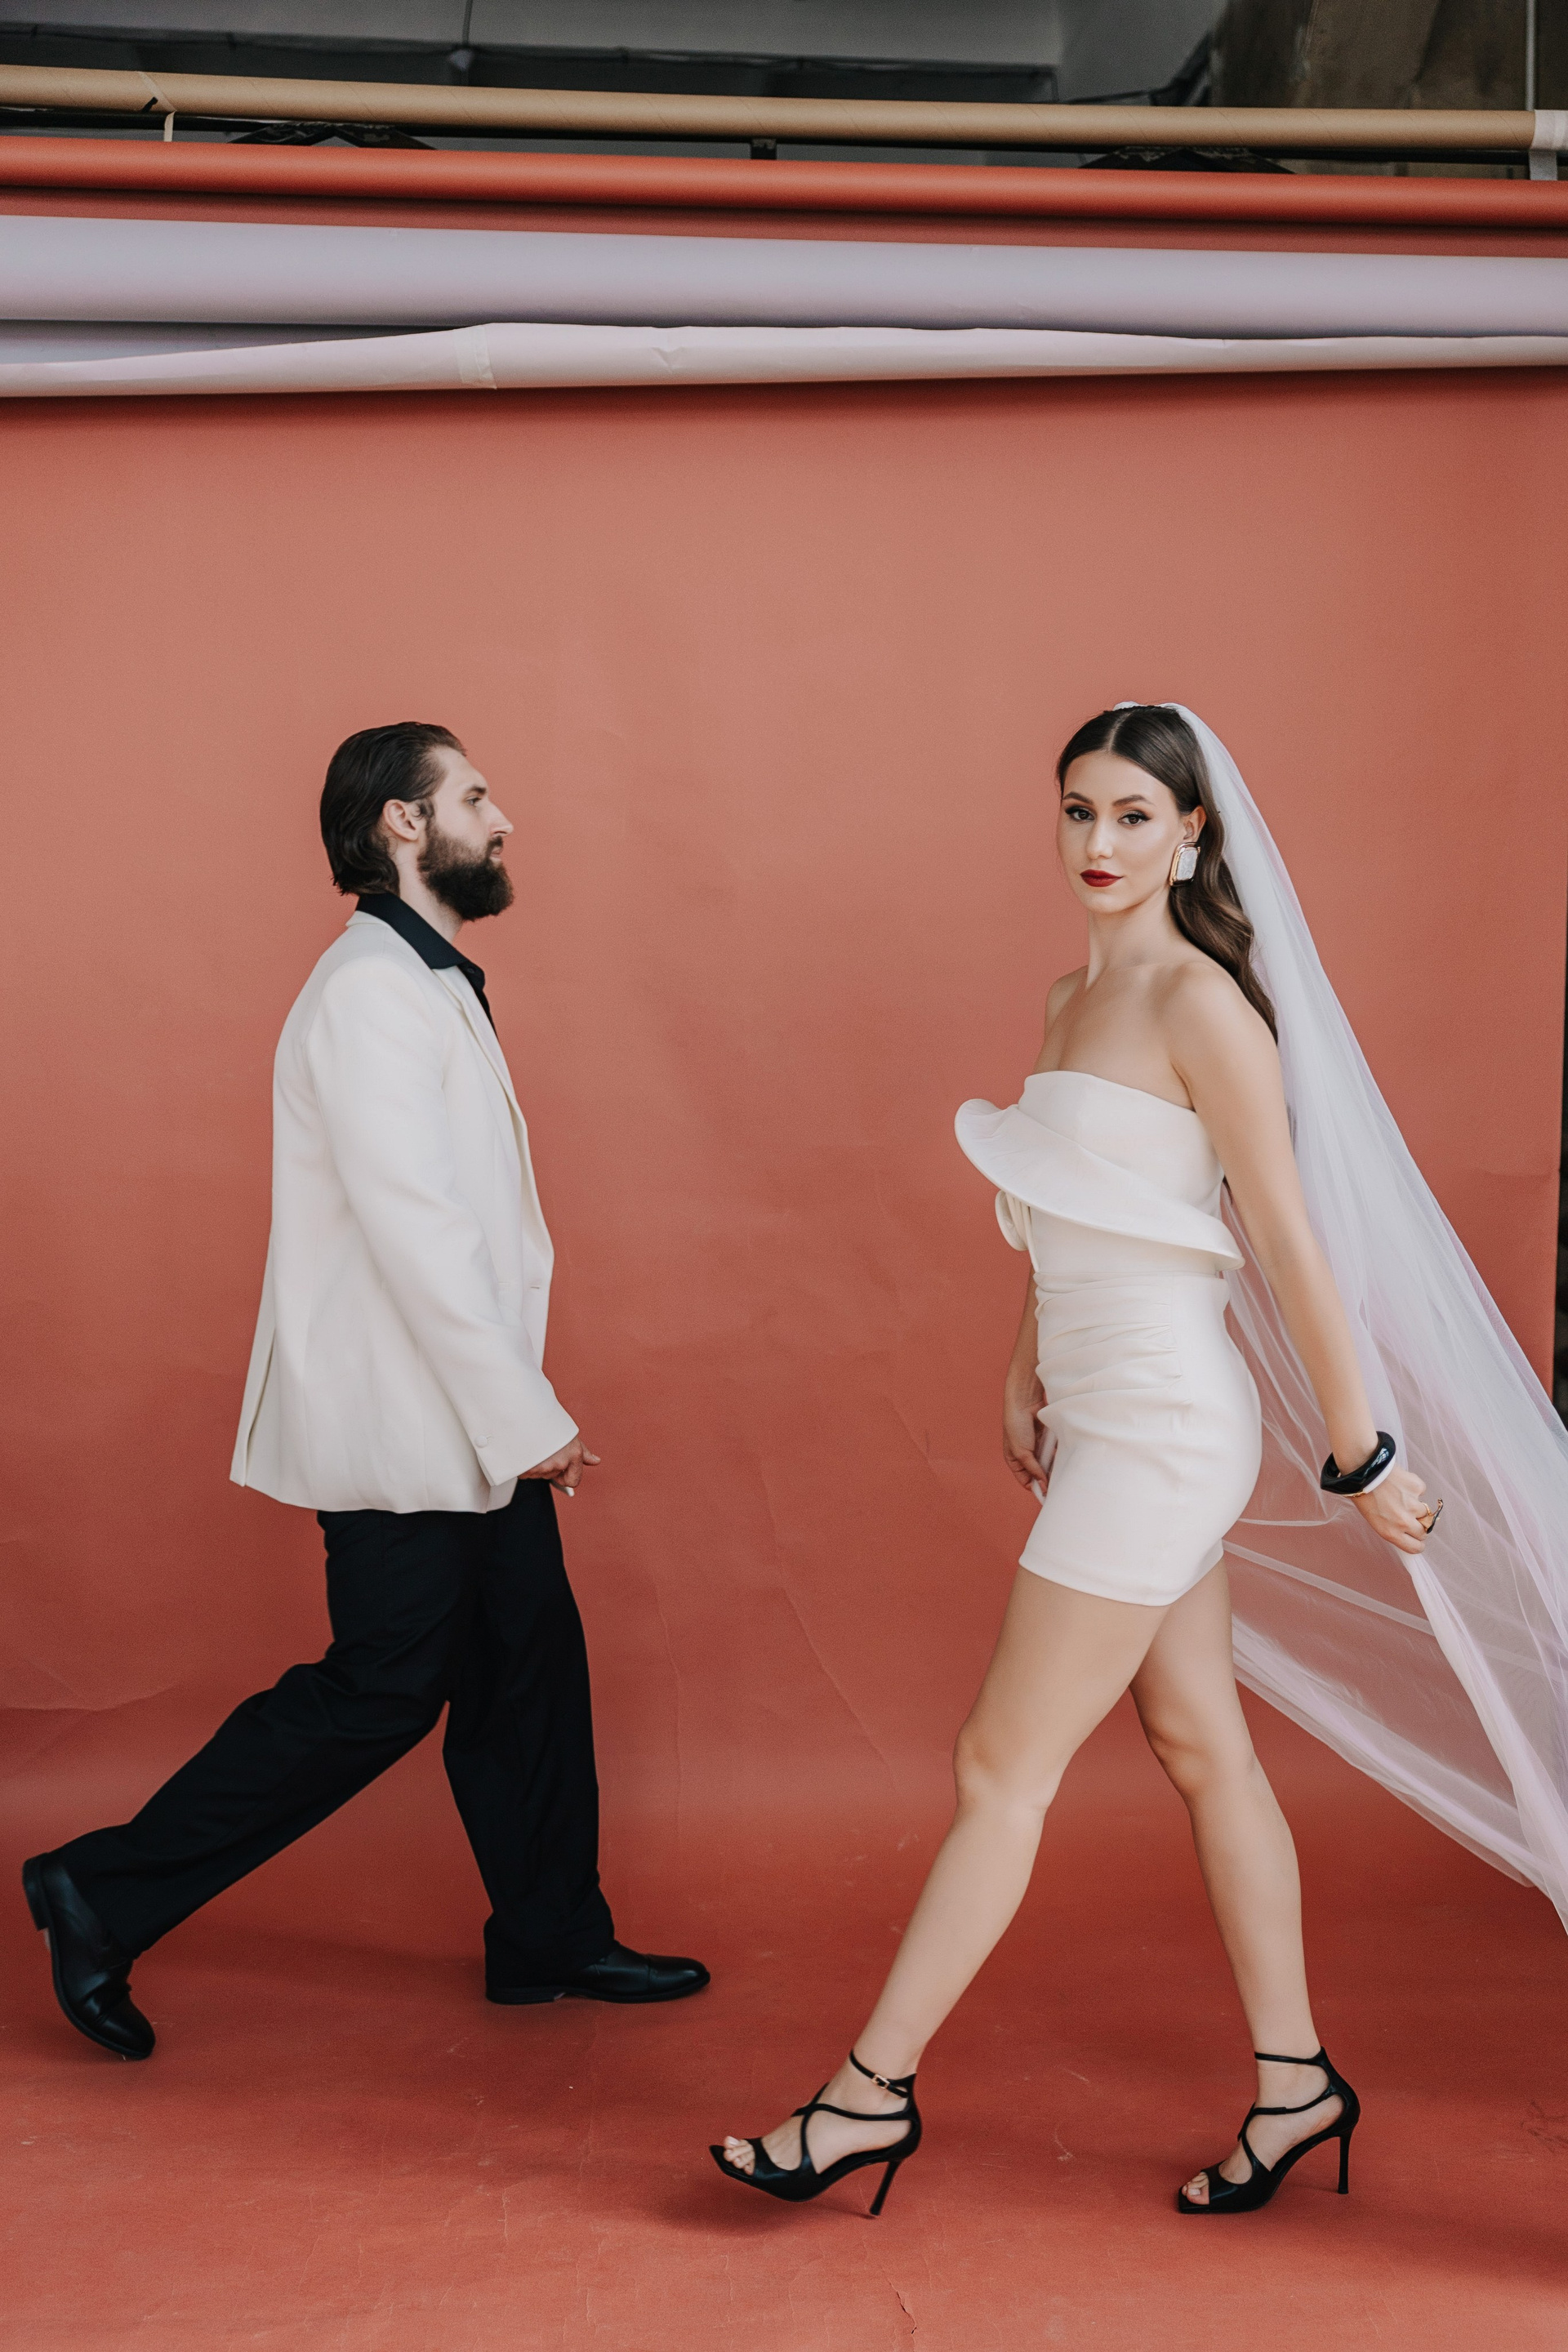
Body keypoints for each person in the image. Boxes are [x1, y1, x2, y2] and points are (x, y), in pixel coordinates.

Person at [712, 702, 1440, 2217]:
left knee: (999, 1767)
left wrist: (1362, 1454)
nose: (1099, 843)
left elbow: (1287, 1240)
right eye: (1077, 812)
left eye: (1131, 816)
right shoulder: (1069, 997)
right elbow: (1067, 1208)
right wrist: (1025, 1364)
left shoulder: (1200, 1007)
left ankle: (867, 2099)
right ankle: (1298, 2086)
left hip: (1167, 1430)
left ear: (1191, 834)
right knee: (1204, 1749)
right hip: (1101, 1409)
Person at [25, 720, 707, 2060]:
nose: (502, 819)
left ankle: (549, 1935)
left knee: (526, 1664)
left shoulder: (420, 979)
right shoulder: (368, 993)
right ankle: (98, 1890)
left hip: (461, 1415)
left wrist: (507, 1414)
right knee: (383, 1690)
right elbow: (417, 1234)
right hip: (414, 1420)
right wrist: (526, 1418)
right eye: (475, 796)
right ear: (404, 822)